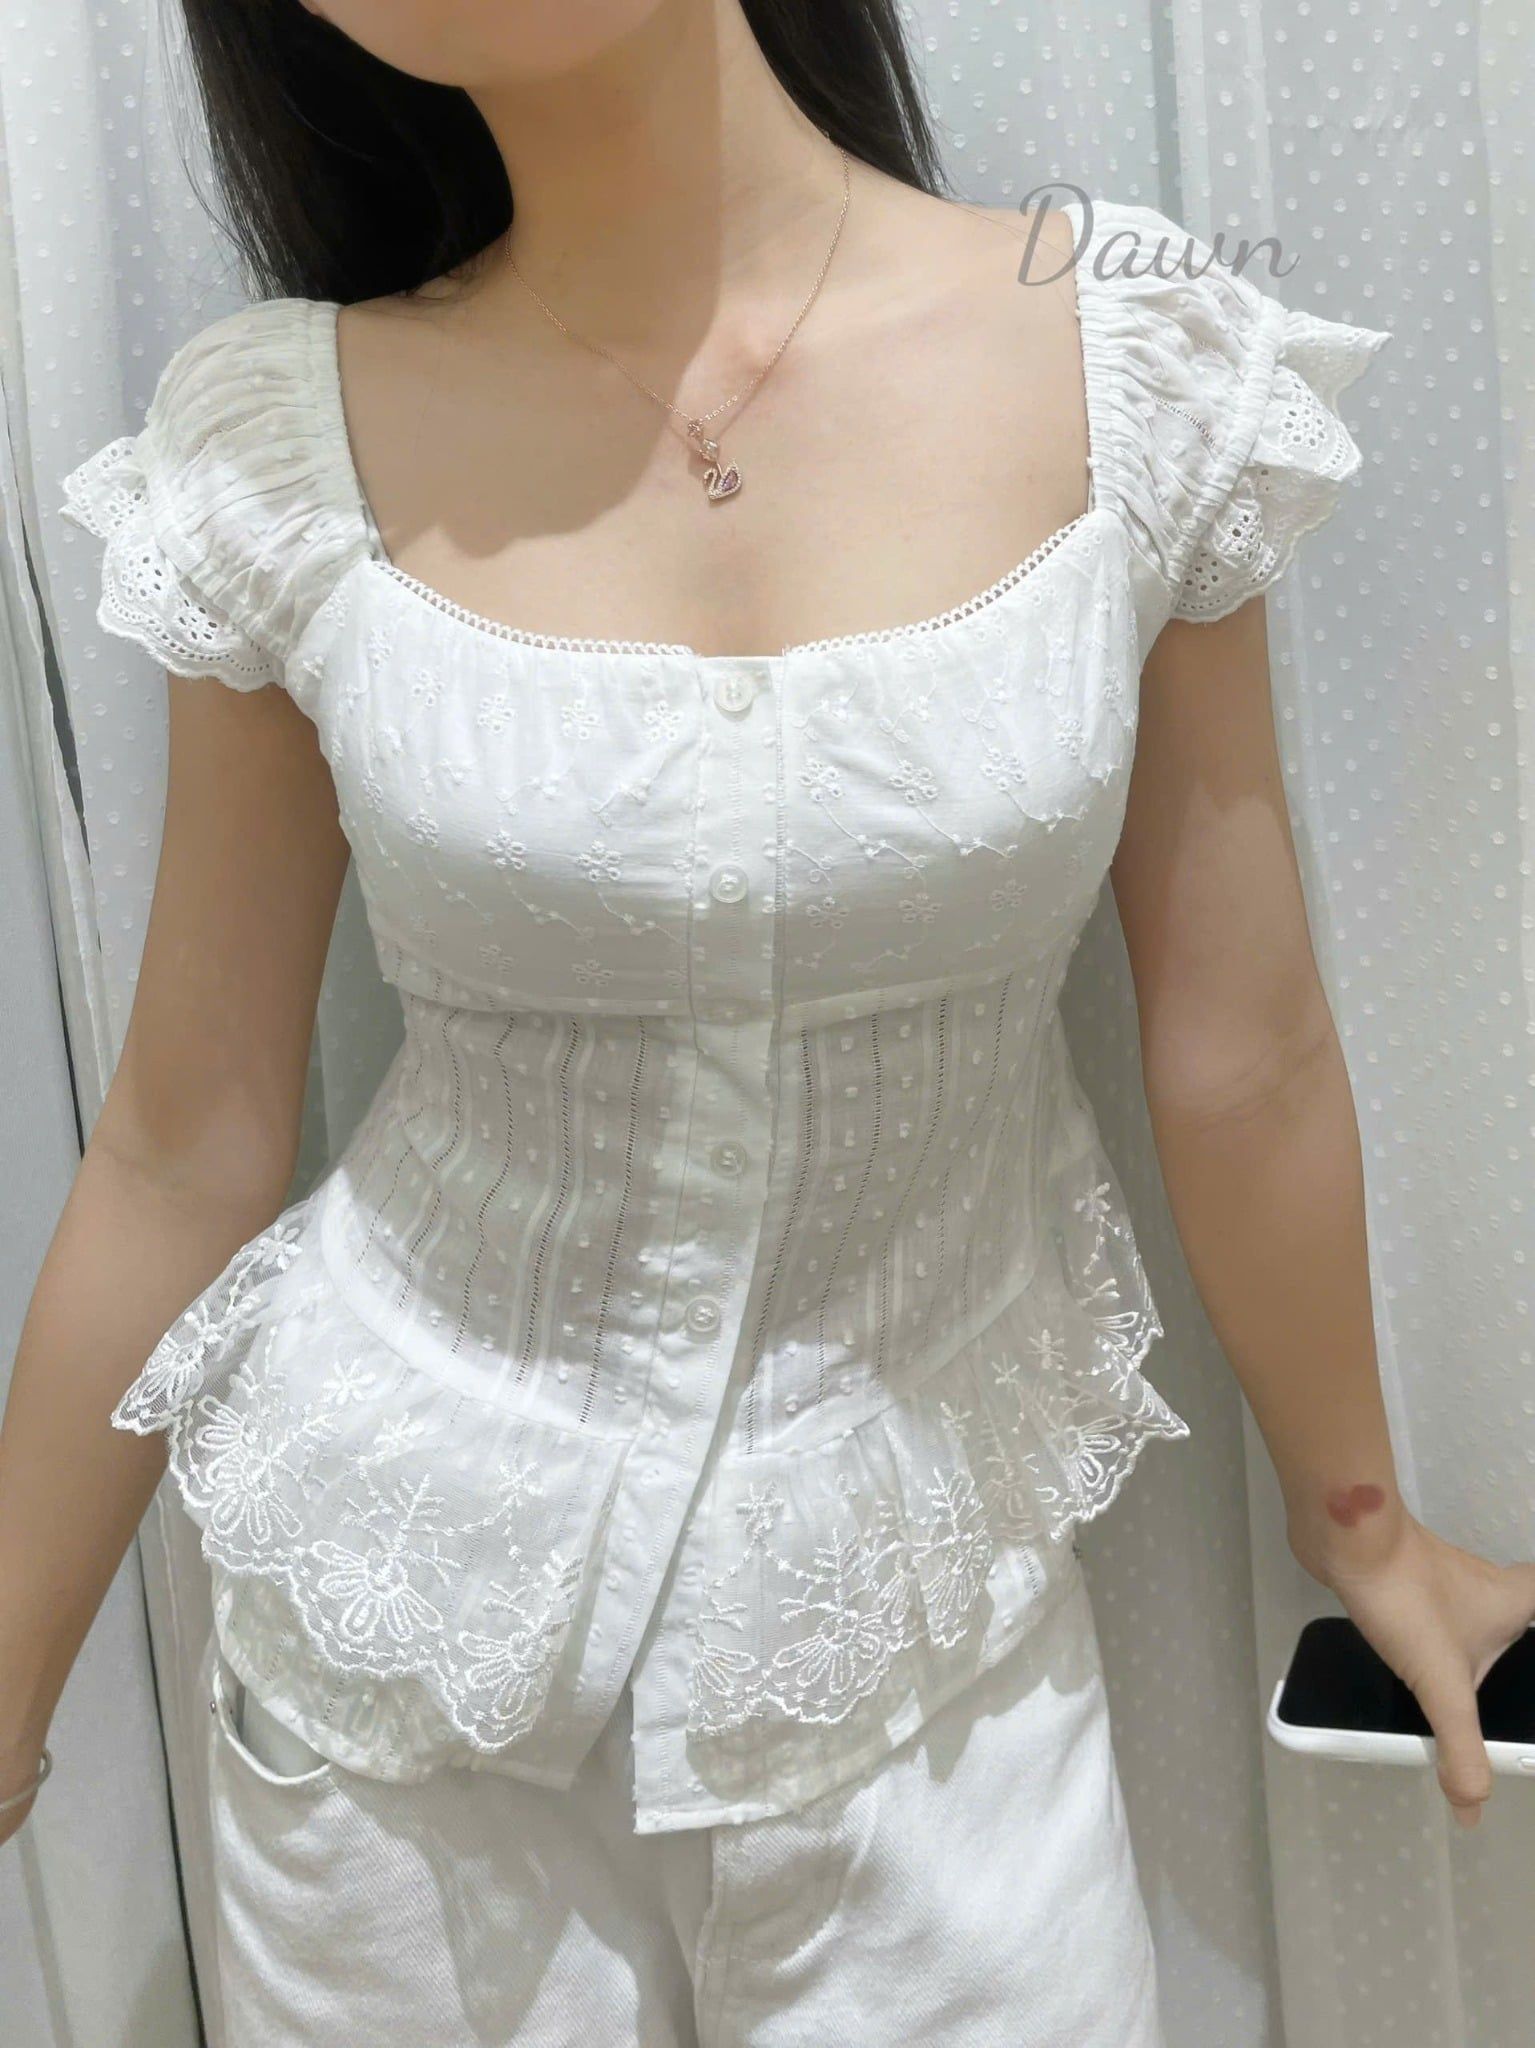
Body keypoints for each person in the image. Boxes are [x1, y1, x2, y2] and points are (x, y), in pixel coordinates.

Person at [4, 3, 1533, 2043]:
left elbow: (1242, 1047)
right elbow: (184, 1136)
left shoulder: (1131, 361)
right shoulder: (278, 442)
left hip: (926, 1670)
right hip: (401, 1695)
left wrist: (1367, 1527)